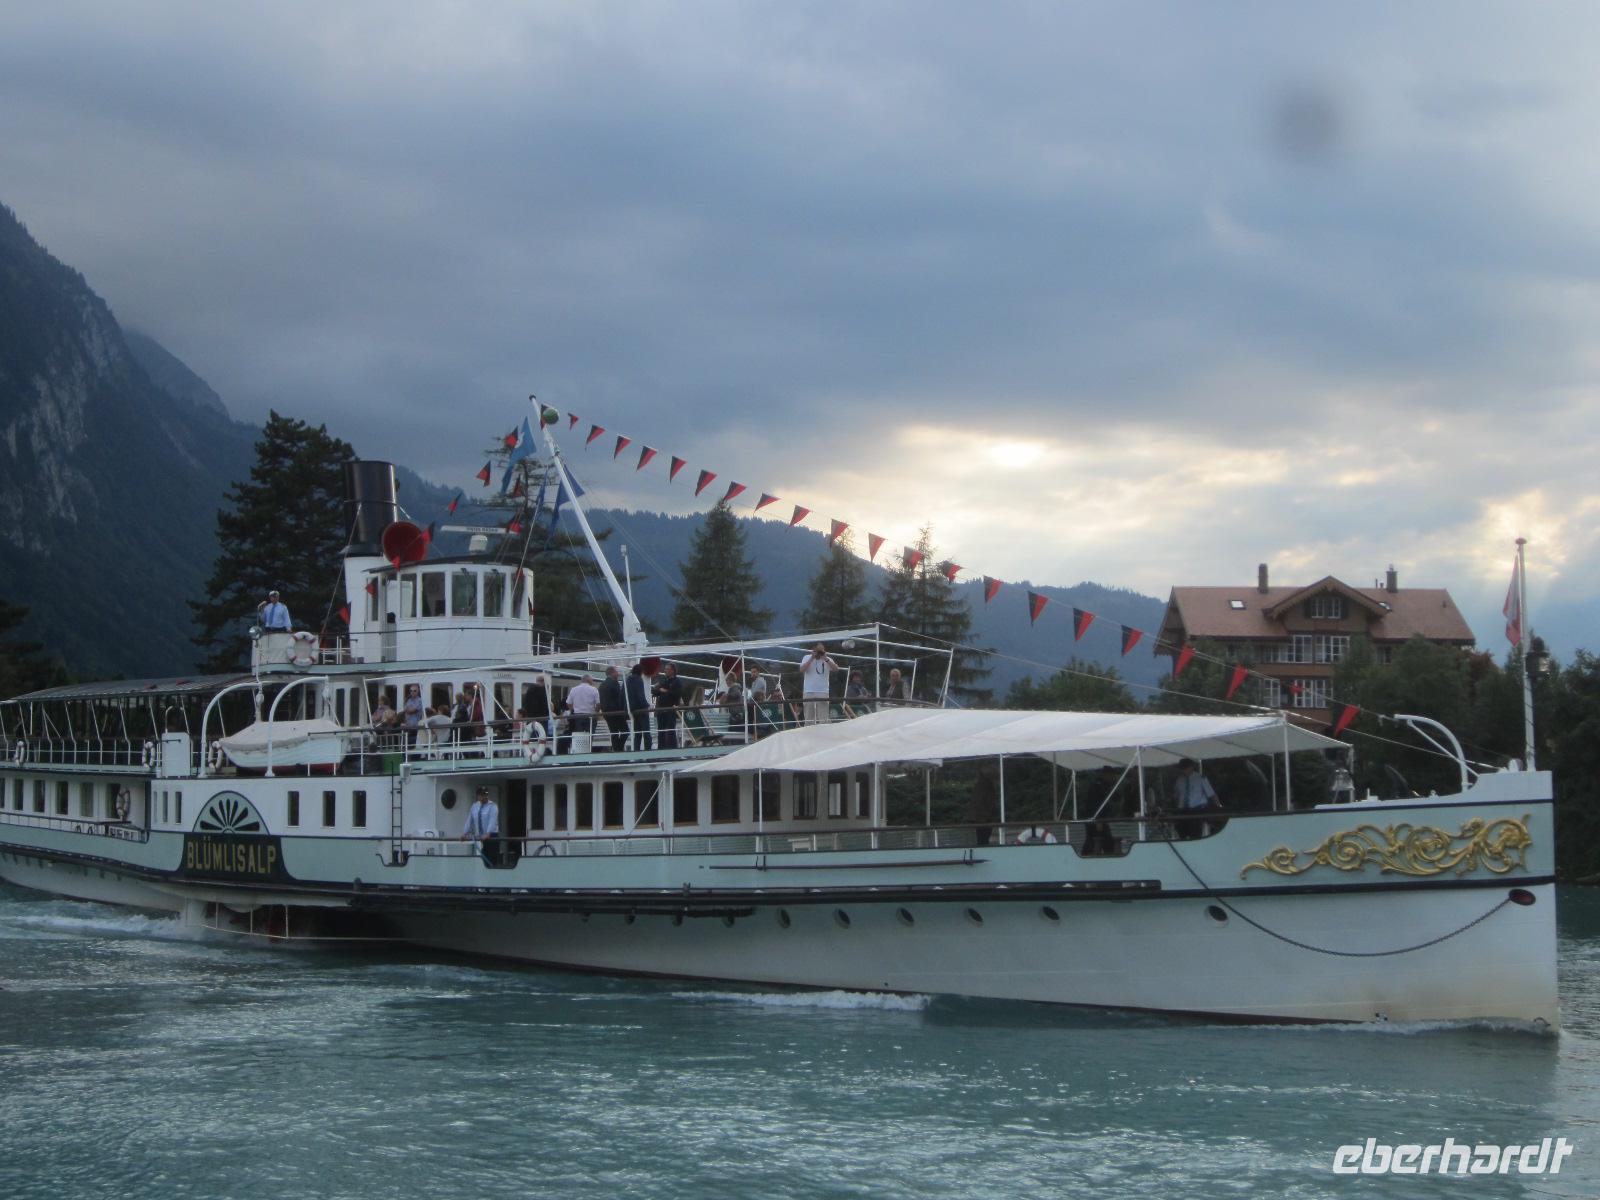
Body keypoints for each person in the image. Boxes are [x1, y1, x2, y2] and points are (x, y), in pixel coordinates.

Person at [1173, 758, 1219, 840]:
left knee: (1195, 834)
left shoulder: (1200, 778)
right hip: (1183, 811)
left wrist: (1219, 807)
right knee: (1181, 833)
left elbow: (1211, 794)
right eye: (1182, 768)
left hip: (1197, 810)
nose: (1183, 770)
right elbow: (1177, 796)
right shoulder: (1179, 780)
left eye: (1185, 768)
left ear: (1191, 767)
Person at [799, 643, 839, 725]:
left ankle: (824, 735)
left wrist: (826, 659)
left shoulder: (827, 659)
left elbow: (836, 669)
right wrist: (811, 658)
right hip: (809, 691)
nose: (819, 653)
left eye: (821, 651)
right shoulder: (806, 657)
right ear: (813, 650)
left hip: (823, 691)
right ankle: (809, 734)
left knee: (823, 717)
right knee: (809, 718)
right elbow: (802, 669)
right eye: (818, 651)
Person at [461, 786, 500, 863]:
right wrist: (465, 833)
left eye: (486, 794)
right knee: (480, 859)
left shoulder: (493, 806)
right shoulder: (474, 806)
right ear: (478, 796)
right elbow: (470, 821)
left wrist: (488, 833)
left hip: (491, 836)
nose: (485, 796)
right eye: (482, 795)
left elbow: (492, 820)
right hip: (479, 836)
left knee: (490, 859)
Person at [652, 663, 684, 750]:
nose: (665, 670)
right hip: (661, 710)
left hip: (670, 710)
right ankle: (661, 749)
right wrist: (661, 690)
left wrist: (665, 691)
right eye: (665, 669)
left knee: (671, 731)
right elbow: (655, 691)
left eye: (667, 669)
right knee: (661, 731)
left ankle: (673, 749)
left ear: (672, 670)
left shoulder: (677, 682)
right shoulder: (664, 681)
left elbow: (676, 694)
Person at [566, 673, 601, 750]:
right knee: (590, 736)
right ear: (588, 680)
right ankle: (588, 751)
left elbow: (568, 703)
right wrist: (596, 712)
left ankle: (579, 752)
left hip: (577, 716)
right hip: (590, 716)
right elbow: (598, 704)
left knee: (579, 736)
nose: (592, 681)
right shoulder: (594, 689)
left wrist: (573, 710)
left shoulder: (573, 689)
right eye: (592, 680)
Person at [599, 666, 628, 751]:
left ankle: (616, 749)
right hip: (616, 712)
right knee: (625, 731)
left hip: (606, 713)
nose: (618, 673)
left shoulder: (602, 685)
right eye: (616, 672)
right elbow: (619, 698)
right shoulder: (614, 683)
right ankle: (618, 748)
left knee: (614, 732)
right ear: (612, 673)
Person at [625, 664, 652, 750]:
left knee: (637, 734)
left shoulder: (628, 679)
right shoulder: (638, 680)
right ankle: (648, 753)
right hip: (641, 710)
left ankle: (637, 752)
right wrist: (647, 705)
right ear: (640, 671)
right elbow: (640, 695)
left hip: (632, 710)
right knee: (647, 733)